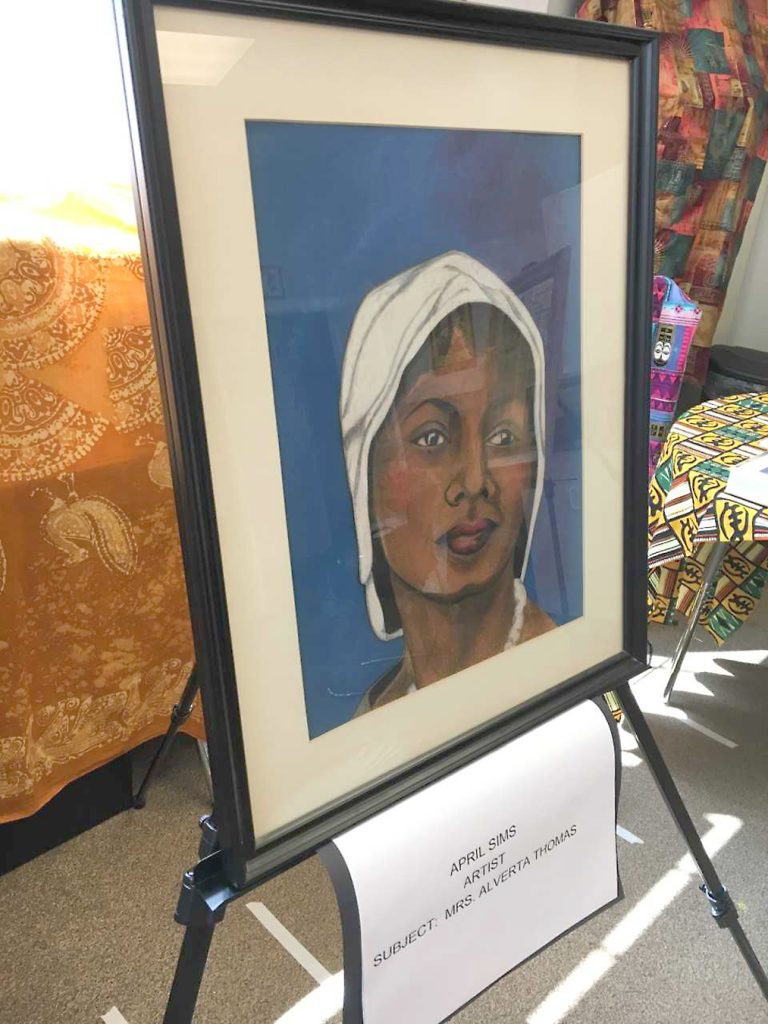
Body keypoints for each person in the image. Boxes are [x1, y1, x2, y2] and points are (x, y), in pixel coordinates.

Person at [340, 251, 554, 714]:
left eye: (504, 437)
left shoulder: (556, 670)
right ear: (364, 474)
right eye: (432, 438)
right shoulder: (375, 714)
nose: (475, 480)